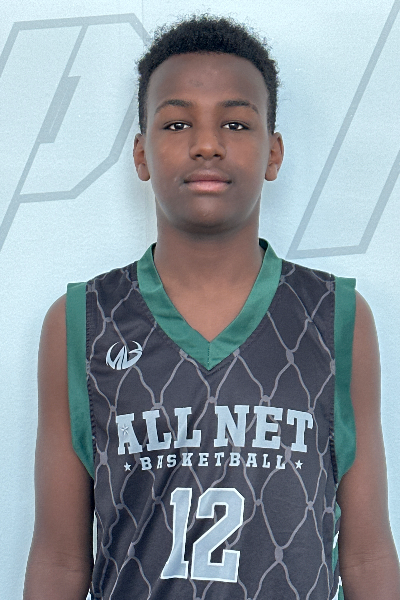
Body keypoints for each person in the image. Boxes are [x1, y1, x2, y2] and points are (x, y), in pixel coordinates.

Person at [23, 13, 400, 600]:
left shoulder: (336, 317)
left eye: (235, 123)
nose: (206, 143)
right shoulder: (83, 322)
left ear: (273, 153)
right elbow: (60, 560)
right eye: (177, 123)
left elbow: (368, 554)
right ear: (142, 154)